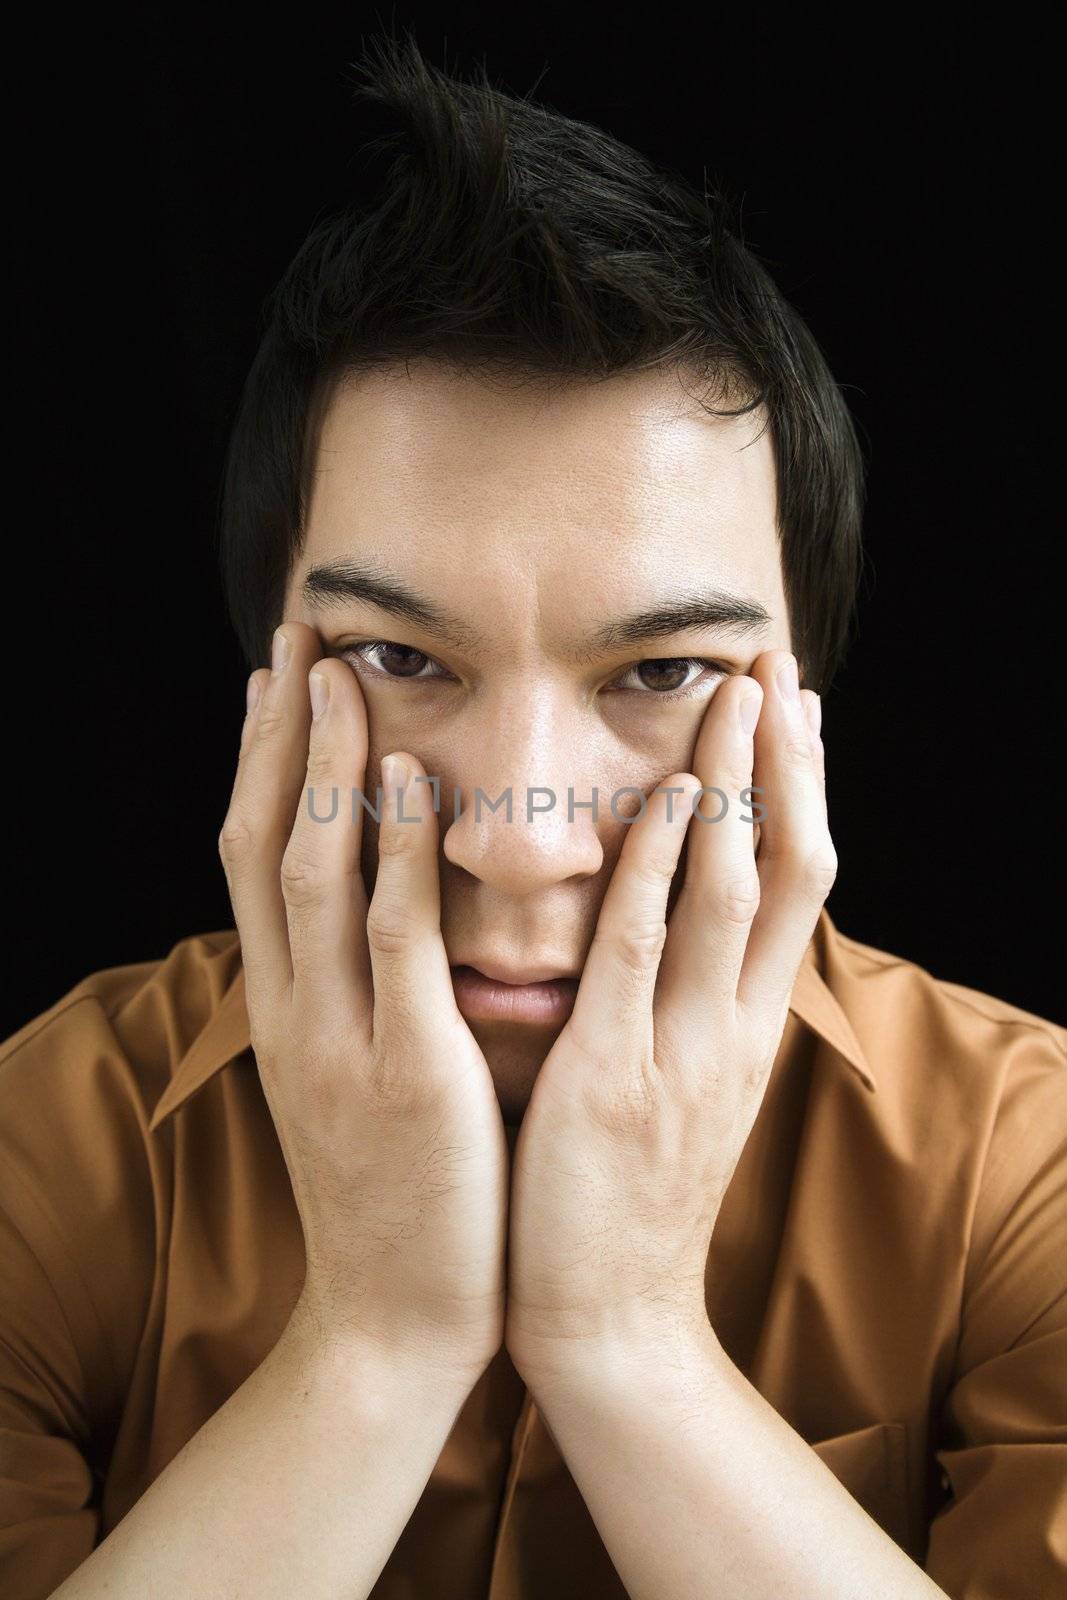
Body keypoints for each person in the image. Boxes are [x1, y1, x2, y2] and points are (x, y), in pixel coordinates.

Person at [1, 30, 1063, 1600]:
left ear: (801, 725)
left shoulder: (1019, 1164)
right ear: (267, 695)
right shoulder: (49, 1153)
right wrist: (376, 1339)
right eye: (398, 657)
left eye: (662, 671)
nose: (515, 836)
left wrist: (627, 1339)